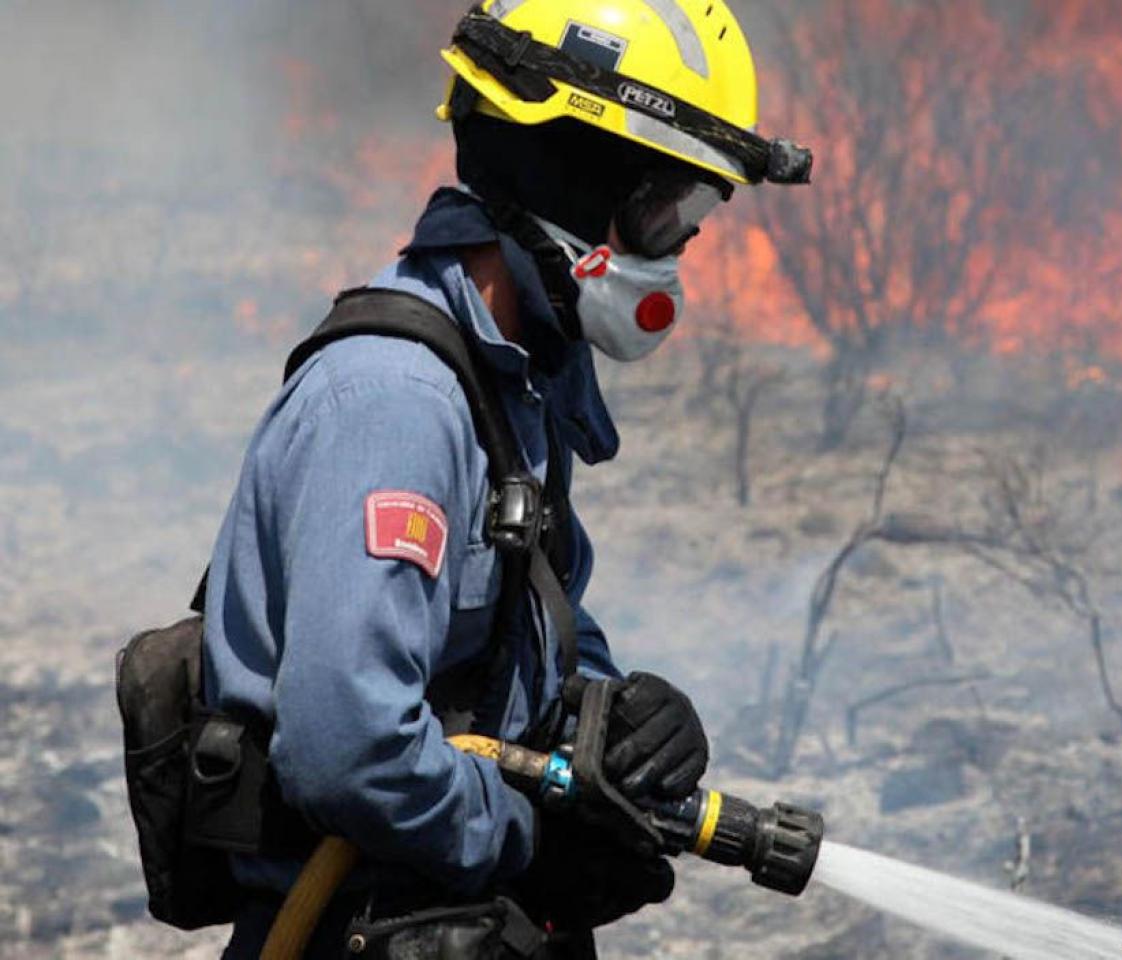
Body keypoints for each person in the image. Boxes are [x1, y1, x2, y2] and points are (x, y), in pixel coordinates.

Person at [198, 1, 810, 956]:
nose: (681, 243)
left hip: (459, 924)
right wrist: (533, 837)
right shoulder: (394, 403)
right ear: (568, 173)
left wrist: (622, 720)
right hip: (365, 928)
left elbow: (528, 624)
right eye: (664, 205)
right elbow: (351, 752)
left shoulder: (511, 377)